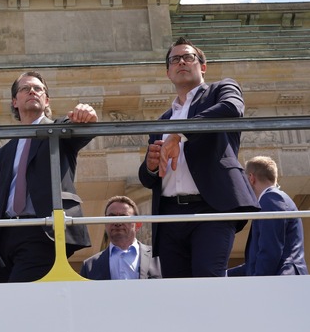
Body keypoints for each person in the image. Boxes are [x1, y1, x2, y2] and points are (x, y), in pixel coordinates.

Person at [138, 37, 259, 278]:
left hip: (211, 208)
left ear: (202, 66)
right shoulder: (162, 120)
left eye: (188, 57)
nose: (181, 62)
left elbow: (232, 108)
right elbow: (148, 178)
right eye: (175, 59)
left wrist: (179, 133)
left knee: (207, 279)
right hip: (170, 215)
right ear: (168, 73)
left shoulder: (221, 90)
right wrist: (150, 166)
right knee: (177, 290)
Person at [0, 71, 97, 284]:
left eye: (38, 89)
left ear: (46, 99)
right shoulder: (4, 152)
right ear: (15, 101)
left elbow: (82, 130)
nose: (32, 91)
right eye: (25, 89)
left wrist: (86, 114)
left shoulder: (58, 132)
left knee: (22, 296)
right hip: (5, 238)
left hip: (41, 231)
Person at [228, 156, 308, 276]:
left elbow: (270, 251)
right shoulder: (271, 199)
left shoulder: (271, 199)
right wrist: (223, 275)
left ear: (251, 178)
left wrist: (258, 282)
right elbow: (255, 262)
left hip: (283, 280)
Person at [79, 195, 162, 280]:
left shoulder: (159, 258)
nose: (117, 222)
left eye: (123, 217)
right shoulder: (90, 266)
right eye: (111, 217)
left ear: (138, 224)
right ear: (105, 223)